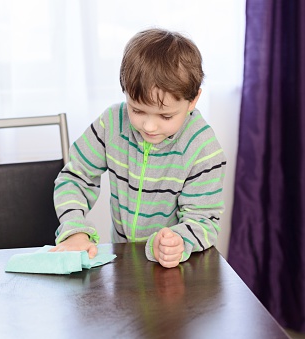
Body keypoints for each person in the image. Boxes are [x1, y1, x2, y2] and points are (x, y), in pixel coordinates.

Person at [49, 28, 227, 268]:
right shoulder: (111, 123)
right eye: (137, 110)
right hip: (124, 263)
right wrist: (74, 230)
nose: (150, 126)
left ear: (193, 100)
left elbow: (204, 221)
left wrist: (177, 241)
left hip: (174, 269)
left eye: (165, 116)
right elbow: (75, 177)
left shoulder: (203, 149)